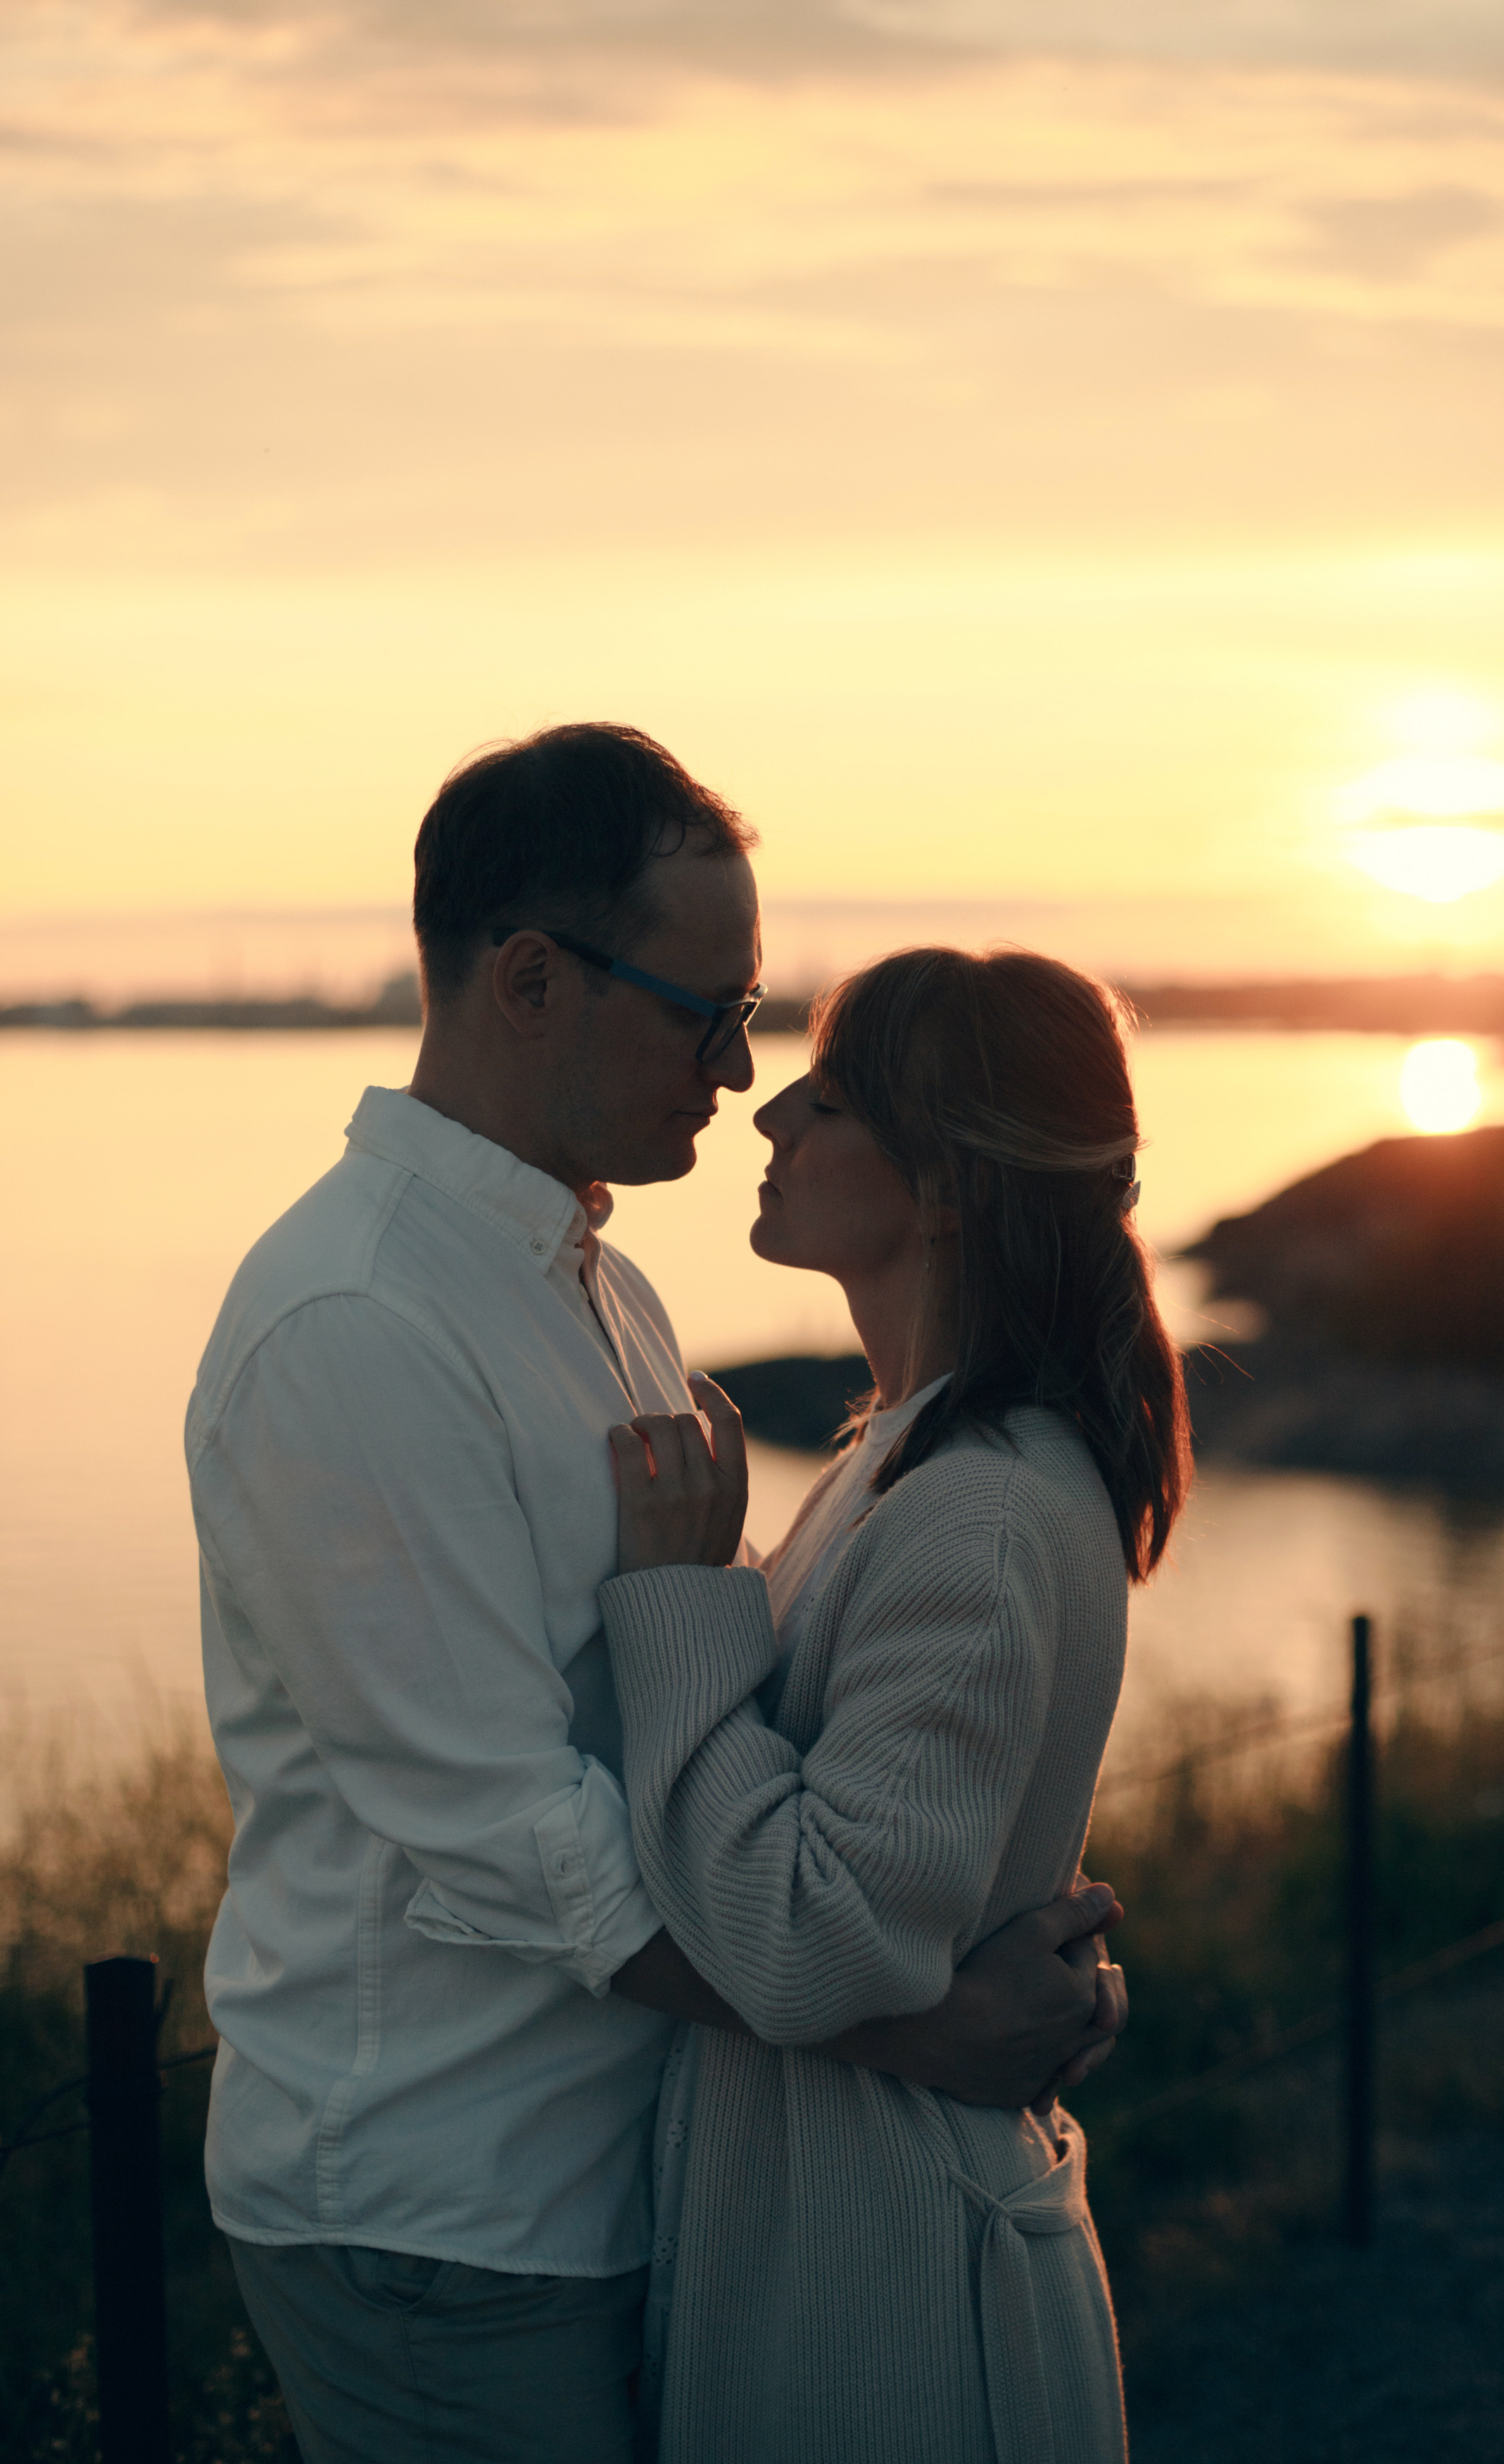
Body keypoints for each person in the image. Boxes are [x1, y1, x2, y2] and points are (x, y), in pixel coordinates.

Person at [186, 726, 1129, 2464]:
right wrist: (917, 2024)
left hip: (632, 2178)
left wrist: (986, 1904)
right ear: (532, 980)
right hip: (449, 2211)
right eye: (710, 1012)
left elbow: (749, 1720)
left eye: (758, 1017)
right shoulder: (358, 1327)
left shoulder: (598, 1290)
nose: (740, 1066)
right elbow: (512, 1828)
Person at [598, 944, 1192, 2464]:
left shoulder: (975, 1512)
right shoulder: (906, 1460)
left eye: (831, 1093)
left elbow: (809, 1942)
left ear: (944, 1186)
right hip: (847, 2252)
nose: (768, 1114)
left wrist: (677, 1596)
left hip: (899, 2307)